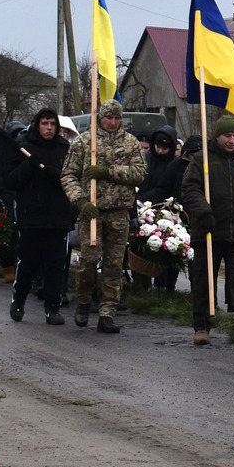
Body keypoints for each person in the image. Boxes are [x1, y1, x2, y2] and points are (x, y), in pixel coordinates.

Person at [61, 100, 148, 333]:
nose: (113, 122)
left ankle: (108, 311)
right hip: (92, 212)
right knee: (89, 260)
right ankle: (83, 300)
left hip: (119, 211)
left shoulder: (130, 143)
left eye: (117, 118)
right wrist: (79, 200)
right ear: (100, 118)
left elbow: (139, 173)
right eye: (109, 117)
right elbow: (68, 175)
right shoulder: (84, 142)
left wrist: (109, 172)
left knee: (113, 264)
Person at [180, 112, 234, 348]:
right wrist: (202, 210)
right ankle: (202, 327)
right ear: (217, 136)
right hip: (208, 233)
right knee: (204, 281)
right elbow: (189, 189)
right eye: (227, 135)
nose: (232, 140)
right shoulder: (201, 160)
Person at [6, 109, 75, 324]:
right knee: (28, 263)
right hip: (32, 217)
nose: (49, 128)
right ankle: (18, 301)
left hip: (58, 217)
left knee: (56, 265)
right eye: (45, 123)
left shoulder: (65, 150)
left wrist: (52, 173)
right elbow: (10, 181)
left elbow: (71, 178)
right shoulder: (24, 148)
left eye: (53, 124)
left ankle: (52, 307)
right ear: (37, 125)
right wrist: (29, 166)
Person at [132, 126, 186, 293]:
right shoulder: (147, 159)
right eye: (158, 147)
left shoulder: (174, 164)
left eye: (165, 148)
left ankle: (164, 285)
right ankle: (141, 283)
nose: (160, 151)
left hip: (165, 208)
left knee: (166, 247)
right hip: (143, 206)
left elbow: (168, 187)